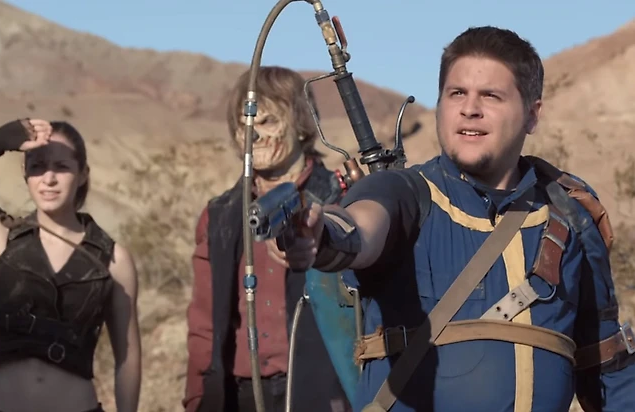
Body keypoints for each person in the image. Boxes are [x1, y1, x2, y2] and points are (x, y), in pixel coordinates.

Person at [268, 26, 635, 412]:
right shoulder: (405, 194)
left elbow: (608, 369)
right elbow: (359, 226)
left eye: (490, 95)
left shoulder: (568, 212)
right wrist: (321, 236)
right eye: (456, 93)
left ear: (532, 114)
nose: (469, 108)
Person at [0, 119, 142, 412]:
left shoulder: (114, 259)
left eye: (62, 167)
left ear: (83, 174)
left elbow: (127, 357)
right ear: (25, 173)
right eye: (37, 166)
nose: (48, 178)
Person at [182, 66, 351, 412]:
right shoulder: (220, 215)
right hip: (239, 394)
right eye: (244, 125)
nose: (253, 135)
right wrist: (199, 399)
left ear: (301, 124)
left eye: (267, 121)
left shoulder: (342, 200)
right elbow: (204, 323)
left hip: (323, 393)